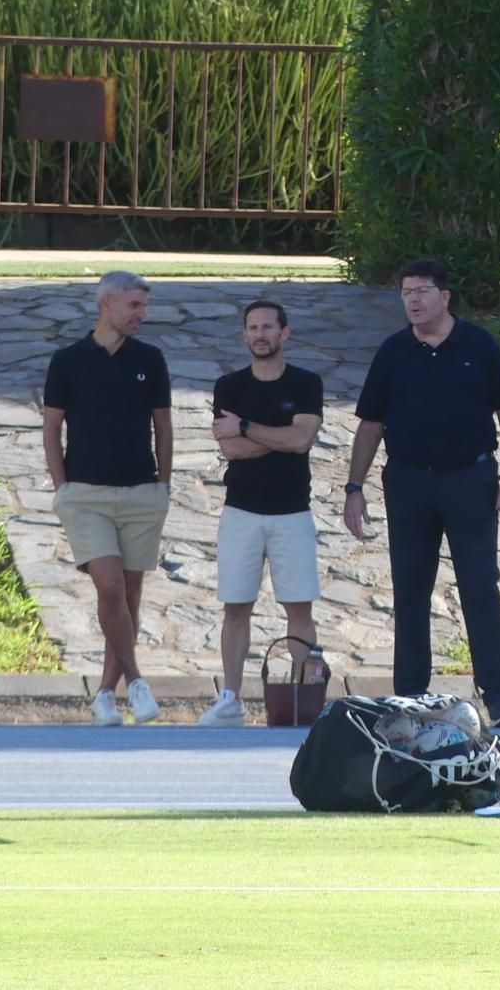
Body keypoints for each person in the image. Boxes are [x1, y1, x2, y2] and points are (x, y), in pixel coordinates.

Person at [341, 259, 500, 729]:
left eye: (422, 291)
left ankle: (499, 696)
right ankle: (410, 697)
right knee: (410, 591)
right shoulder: (393, 351)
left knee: (480, 587)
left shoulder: (478, 345)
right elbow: (370, 425)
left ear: (445, 296)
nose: (414, 300)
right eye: (406, 293)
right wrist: (354, 487)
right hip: (409, 483)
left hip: (470, 480)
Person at [42, 270, 172, 726]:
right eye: (134, 305)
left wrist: (165, 483)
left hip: (142, 492)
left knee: (129, 596)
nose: (142, 314)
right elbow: (52, 427)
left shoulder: (150, 359)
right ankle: (136, 680)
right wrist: (63, 489)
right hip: (86, 496)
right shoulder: (68, 360)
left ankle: (104, 694)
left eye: (143, 306)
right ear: (107, 304)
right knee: (110, 587)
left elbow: (163, 425)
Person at [199, 300, 325, 726]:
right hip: (241, 512)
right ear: (245, 333)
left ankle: (305, 700)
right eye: (252, 327)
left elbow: (301, 441)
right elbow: (229, 448)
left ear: (284, 333)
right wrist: (278, 436)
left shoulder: (306, 383)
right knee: (236, 608)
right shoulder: (229, 386)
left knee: (299, 610)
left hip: (292, 513)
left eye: (268, 327)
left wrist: (249, 427)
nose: (260, 334)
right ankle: (230, 699)